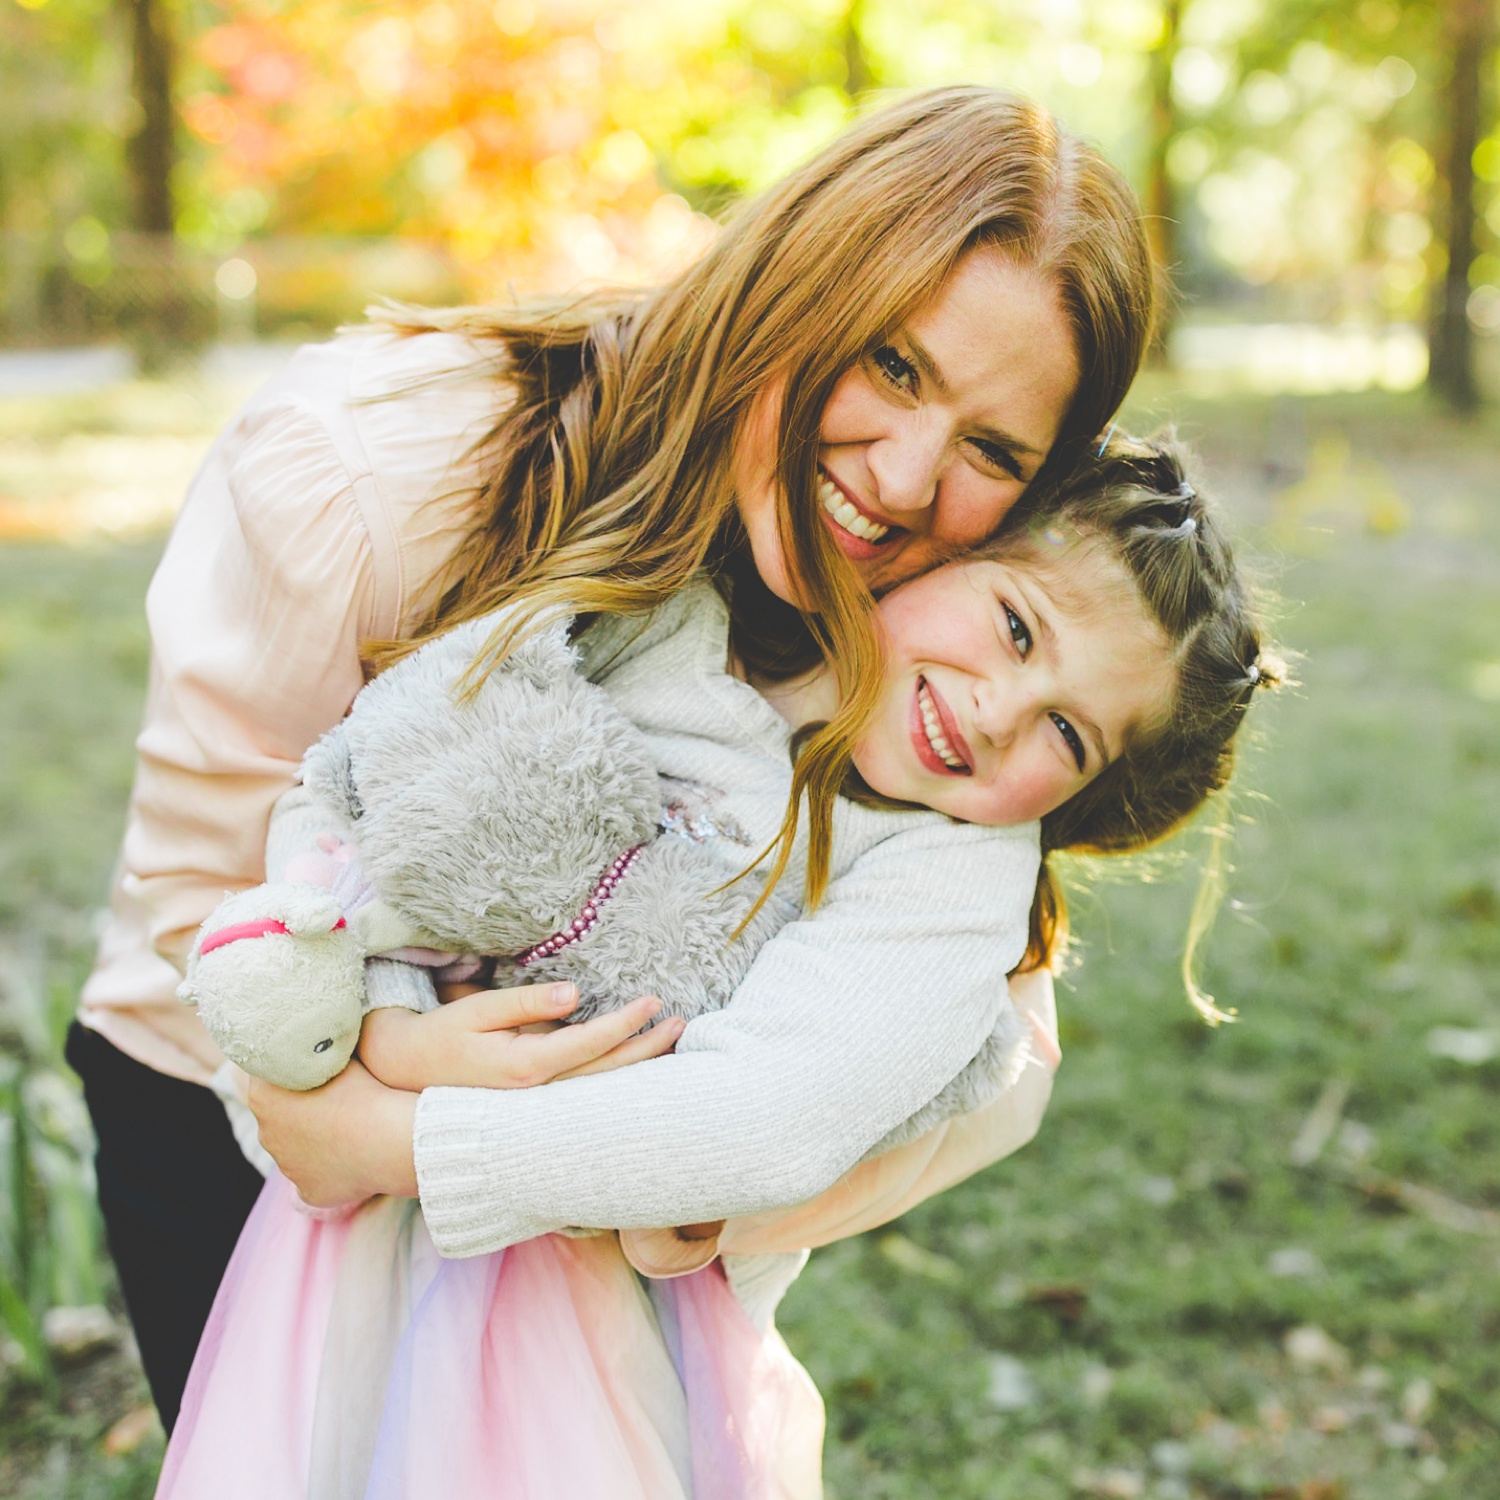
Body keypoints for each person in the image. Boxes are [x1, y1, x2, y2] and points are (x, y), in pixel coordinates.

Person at [66, 85, 1156, 1432]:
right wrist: (368, 1080)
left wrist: (684, 1194)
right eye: (893, 363)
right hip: (219, 1097)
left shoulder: (938, 629)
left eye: (994, 447)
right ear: (790, 280)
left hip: (591, 1212)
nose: (907, 476)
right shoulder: (368, 474)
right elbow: (204, 891)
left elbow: (993, 1047)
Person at [155, 439, 1280, 1499]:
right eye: (1018, 630)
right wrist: (388, 1028)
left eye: (1067, 737)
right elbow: (373, 791)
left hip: (611, 1338)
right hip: (332, 1280)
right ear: (950, 547)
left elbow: (767, 1115)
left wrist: (393, 1139)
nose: (997, 711)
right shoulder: (668, 622)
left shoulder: (952, 869)